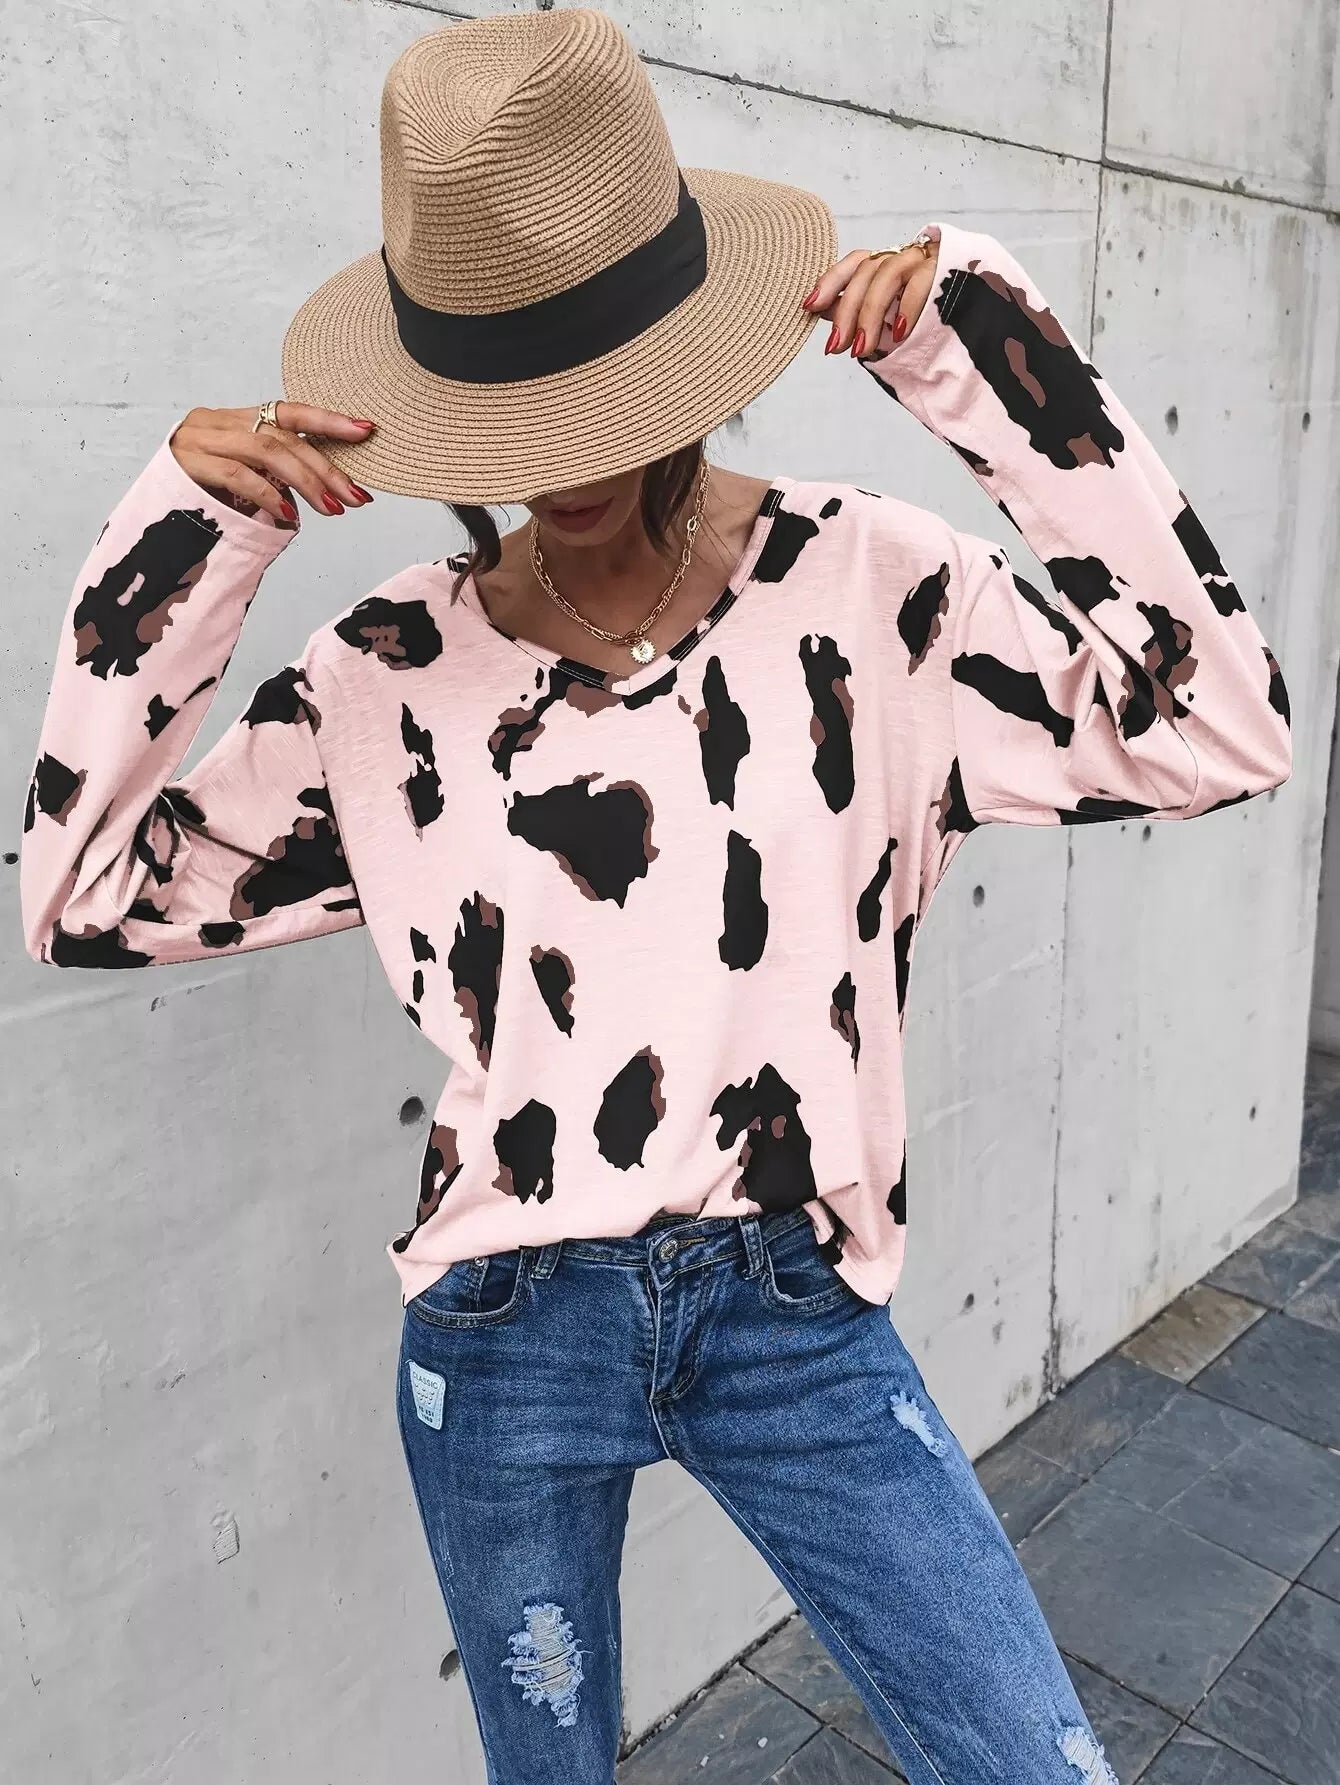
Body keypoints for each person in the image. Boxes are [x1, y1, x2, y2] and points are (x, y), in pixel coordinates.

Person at [20, 10, 1291, 1784]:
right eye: (509, 409)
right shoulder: (384, 677)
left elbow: (1221, 725)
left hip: (794, 1318)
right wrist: (185, 537)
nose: (564, 455)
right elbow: (84, 896)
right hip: (504, 1335)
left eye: (598, 384)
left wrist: (983, 359)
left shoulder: (873, 592)